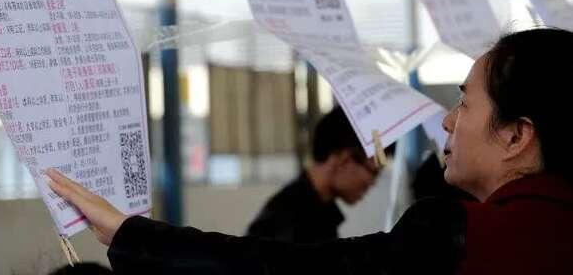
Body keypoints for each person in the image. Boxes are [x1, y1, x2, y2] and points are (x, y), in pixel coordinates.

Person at [46, 28, 573, 274]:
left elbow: (276, 271)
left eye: (465, 102)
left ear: (515, 135)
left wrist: (131, 233)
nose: (449, 120)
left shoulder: (456, 235)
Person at [246, 107, 379, 242]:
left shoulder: (312, 209)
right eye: (374, 172)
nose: (372, 183)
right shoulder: (290, 222)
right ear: (344, 159)